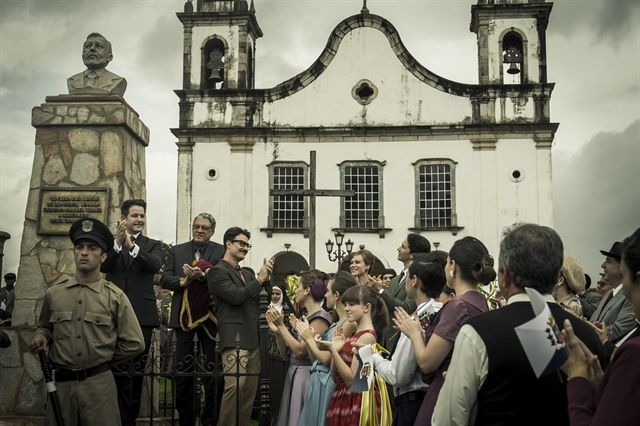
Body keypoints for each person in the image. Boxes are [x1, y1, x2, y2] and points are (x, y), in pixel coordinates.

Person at [432, 223, 606, 426]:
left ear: (504, 275)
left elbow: (448, 420)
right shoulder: (588, 336)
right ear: (555, 276)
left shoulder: (477, 332)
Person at [29, 218, 144, 426]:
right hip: (61, 387)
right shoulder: (54, 294)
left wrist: (103, 358)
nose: (84, 252)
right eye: (79, 247)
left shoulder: (115, 297)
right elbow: (45, 327)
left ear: (103, 256)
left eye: (92, 248)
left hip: (99, 386)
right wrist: (41, 336)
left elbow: (135, 343)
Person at [395, 236, 494, 425]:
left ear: (453, 266)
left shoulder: (458, 306)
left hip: (444, 392)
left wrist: (415, 333)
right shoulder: (481, 302)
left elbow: (427, 362)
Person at [562, 228, 640, 426]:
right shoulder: (609, 295)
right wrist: (603, 382)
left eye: (612, 262)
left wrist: (578, 375)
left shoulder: (634, 353)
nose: (604, 266)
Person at [101, 199, 163, 426]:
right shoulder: (111, 245)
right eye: (134, 215)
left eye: (142, 216)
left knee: (135, 374)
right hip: (112, 315)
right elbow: (104, 267)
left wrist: (131, 247)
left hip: (142, 317)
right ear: (123, 219)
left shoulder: (152, 244)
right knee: (111, 370)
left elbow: (155, 265)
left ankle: (129, 421)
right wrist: (117, 245)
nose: (139, 220)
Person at [161, 213, 225, 426]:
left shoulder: (220, 251)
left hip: (210, 318)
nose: (199, 230)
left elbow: (223, 277)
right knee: (183, 371)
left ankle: (209, 420)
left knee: (211, 371)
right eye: (196, 226)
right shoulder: (177, 250)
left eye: (204, 228)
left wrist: (204, 276)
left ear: (212, 231)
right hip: (183, 317)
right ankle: (186, 419)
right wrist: (185, 279)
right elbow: (165, 278)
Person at [368, 252, 447, 425]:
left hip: (413, 404)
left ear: (414, 281)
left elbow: (398, 375)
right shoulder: (444, 311)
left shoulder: (415, 320)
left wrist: (374, 357)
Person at [207, 227, 274, 426]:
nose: (245, 248)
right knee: (235, 386)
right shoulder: (217, 271)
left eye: (248, 245)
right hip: (234, 337)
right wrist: (259, 279)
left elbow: (263, 297)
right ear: (228, 243)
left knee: (248, 392)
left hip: (253, 337)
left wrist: (266, 279)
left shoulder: (246, 272)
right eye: (241, 243)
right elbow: (236, 297)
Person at [266, 270, 332, 426]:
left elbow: (301, 351)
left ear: (307, 290)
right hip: (294, 372)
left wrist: (282, 327)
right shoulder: (306, 317)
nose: (295, 290)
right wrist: (278, 332)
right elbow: (285, 354)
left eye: (298, 286)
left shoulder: (320, 317)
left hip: (305, 375)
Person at [296, 271, 358, 426]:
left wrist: (309, 340)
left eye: (328, 291)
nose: (325, 295)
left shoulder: (348, 324)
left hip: (328, 382)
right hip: (317, 379)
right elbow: (315, 359)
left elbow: (326, 359)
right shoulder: (336, 323)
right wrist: (309, 339)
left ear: (336, 295)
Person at [320, 285, 388, 426]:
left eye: (352, 304)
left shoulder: (367, 336)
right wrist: (336, 350)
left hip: (356, 402)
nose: (346, 308)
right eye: (345, 304)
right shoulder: (354, 335)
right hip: (342, 397)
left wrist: (333, 350)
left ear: (366, 307)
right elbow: (335, 377)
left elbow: (353, 380)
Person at [374, 234, 430, 352]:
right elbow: (385, 305)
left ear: (413, 255)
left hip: (402, 339)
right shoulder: (395, 279)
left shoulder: (417, 278)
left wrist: (381, 290)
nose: (398, 249)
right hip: (386, 338)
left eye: (403, 247)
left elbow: (406, 307)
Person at [589, 241, 635, 345]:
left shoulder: (632, 296)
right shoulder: (609, 293)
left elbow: (617, 330)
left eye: (608, 261)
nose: (603, 265)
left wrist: (583, 327)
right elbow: (594, 321)